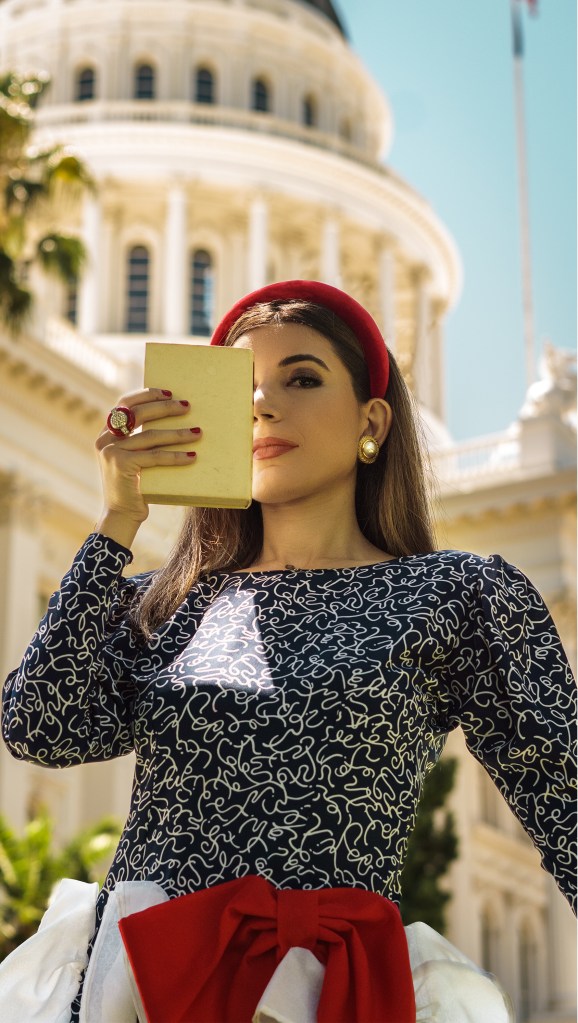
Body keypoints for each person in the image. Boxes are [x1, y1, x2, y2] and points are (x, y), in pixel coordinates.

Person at [1, 280, 576, 1023]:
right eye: (241, 388)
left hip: (328, 992)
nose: (263, 405)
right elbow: (38, 726)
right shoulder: (163, 600)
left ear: (372, 420)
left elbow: (564, 798)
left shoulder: (457, 596)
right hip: (147, 986)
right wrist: (116, 522)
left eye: (301, 378)